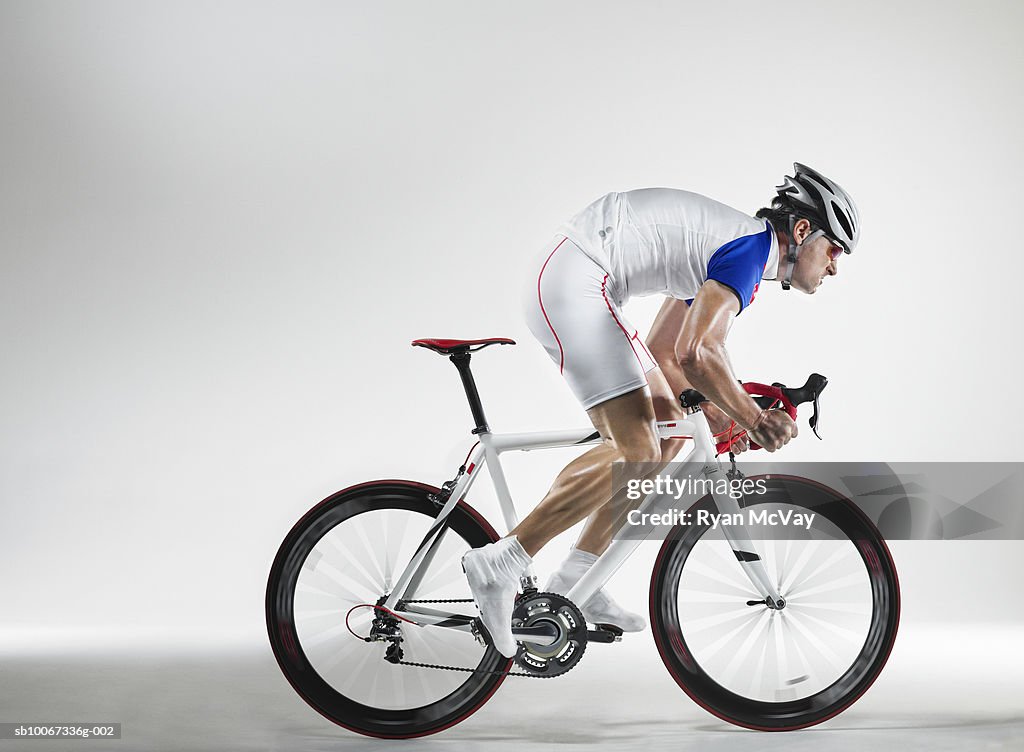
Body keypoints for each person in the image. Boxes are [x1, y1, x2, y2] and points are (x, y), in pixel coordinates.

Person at [462, 163, 860, 658]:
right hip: (576, 280)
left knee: (669, 433)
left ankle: (575, 579)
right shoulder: (749, 252)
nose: (835, 266)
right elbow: (699, 353)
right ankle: (500, 563)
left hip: (577, 277)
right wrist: (752, 418)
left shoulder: (733, 251)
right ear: (802, 232)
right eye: (834, 249)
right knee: (637, 451)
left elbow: (668, 354)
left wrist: (719, 413)